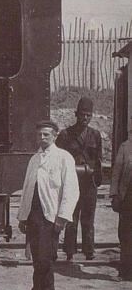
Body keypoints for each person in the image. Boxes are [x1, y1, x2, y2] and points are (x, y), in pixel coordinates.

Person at [17, 120, 79, 290]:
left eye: (46, 134)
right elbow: (27, 188)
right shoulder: (34, 160)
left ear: (55, 135)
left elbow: (71, 190)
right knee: (37, 259)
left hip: (50, 217)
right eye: (39, 135)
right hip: (33, 216)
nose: (42, 138)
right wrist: (23, 216)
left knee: (46, 259)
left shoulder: (63, 157)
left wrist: (63, 217)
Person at [56, 97, 102, 260]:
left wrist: (95, 178)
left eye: (88, 115)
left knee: (88, 218)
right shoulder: (66, 135)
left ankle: (89, 251)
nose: (85, 118)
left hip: (89, 184)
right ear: (76, 115)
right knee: (71, 218)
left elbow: (98, 160)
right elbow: (59, 159)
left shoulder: (95, 135)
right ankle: (70, 251)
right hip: (72, 183)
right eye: (82, 114)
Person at [110, 134, 132, 281]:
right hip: (128, 198)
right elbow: (116, 172)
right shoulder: (125, 147)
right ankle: (125, 271)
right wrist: (114, 194)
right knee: (126, 235)